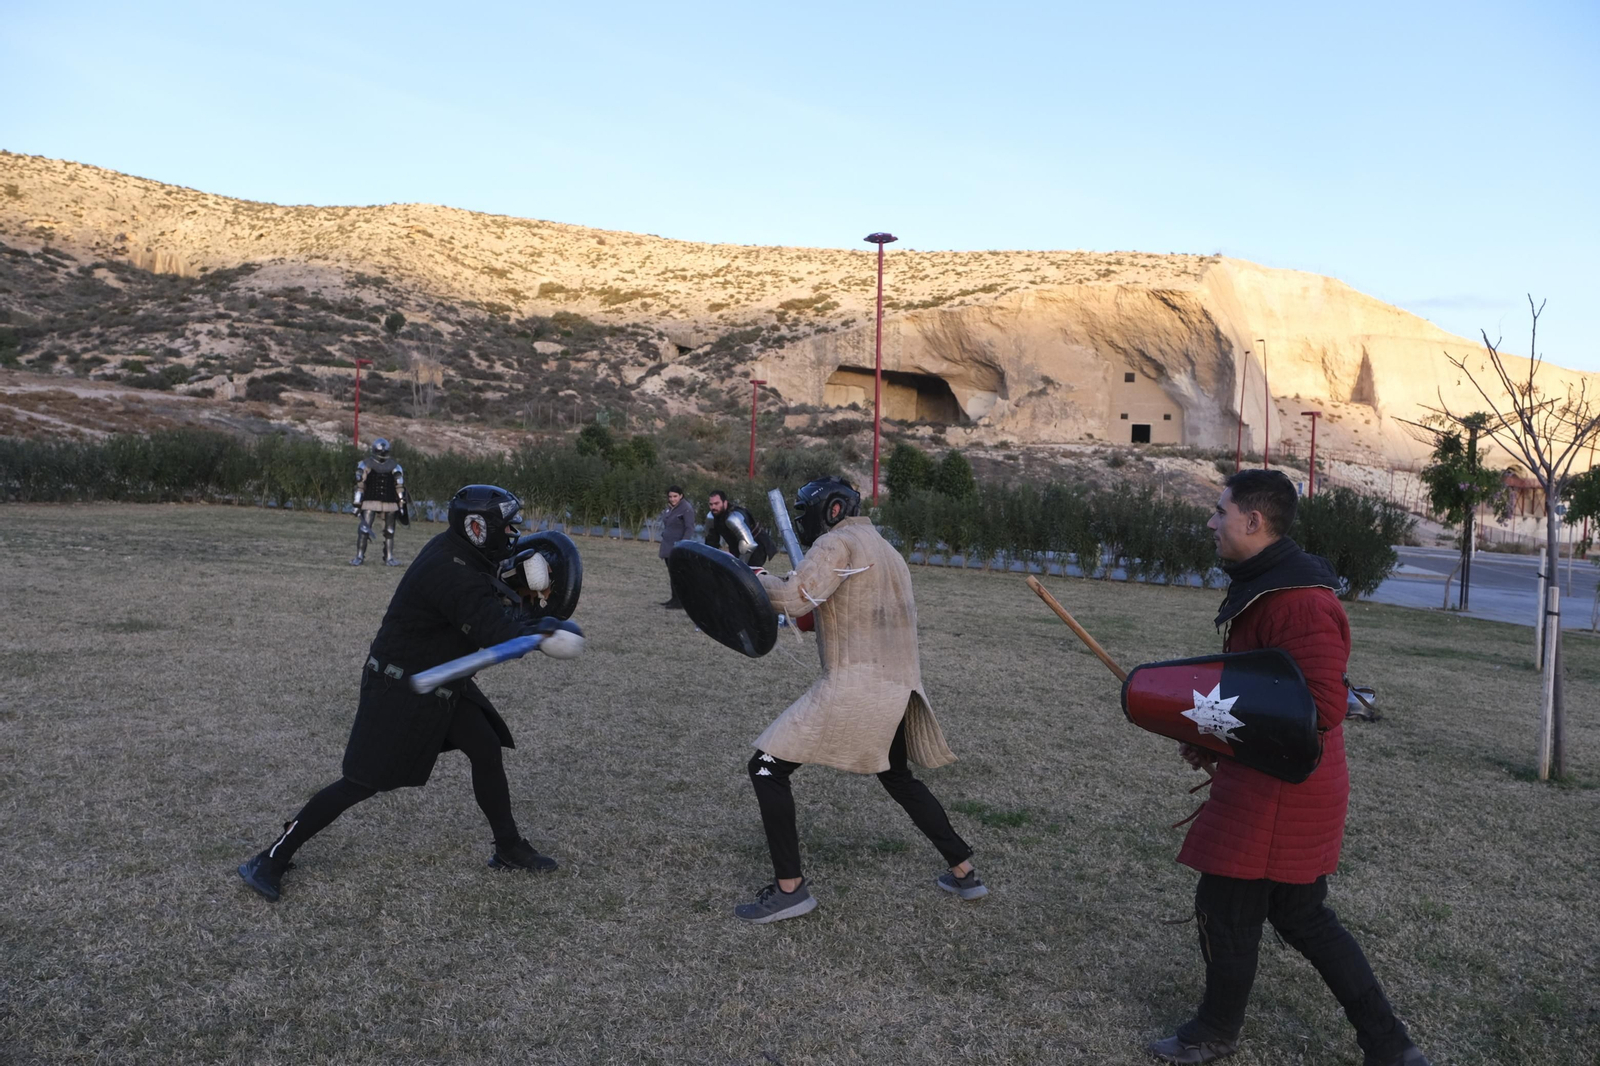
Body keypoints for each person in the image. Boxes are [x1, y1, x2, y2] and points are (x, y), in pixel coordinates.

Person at [1147, 469, 1429, 1066]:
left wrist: (1230, 729)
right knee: (1301, 915)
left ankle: (1214, 1031)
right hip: (1276, 778)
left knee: (1227, 908)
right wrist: (1214, 732)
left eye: (1219, 511)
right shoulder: (1272, 587)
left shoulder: (1299, 602)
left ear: (1253, 521)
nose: (1210, 522)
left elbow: (1322, 707)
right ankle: (1390, 1045)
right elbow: (1262, 689)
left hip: (1281, 790)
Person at [238, 484, 564, 902]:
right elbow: (497, 635)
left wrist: (520, 593)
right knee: (360, 783)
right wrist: (543, 624)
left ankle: (508, 848)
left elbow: (490, 599)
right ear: (478, 527)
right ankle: (270, 858)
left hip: (440, 677)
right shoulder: (451, 569)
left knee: (484, 746)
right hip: (401, 684)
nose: (512, 534)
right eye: (506, 526)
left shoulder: (460, 550)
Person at [734, 476, 985, 924]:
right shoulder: (887, 551)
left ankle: (790, 890)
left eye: (804, 510)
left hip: (856, 685)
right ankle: (964, 870)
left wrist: (751, 576)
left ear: (830, 510)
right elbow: (833, 610)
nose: (800, 519)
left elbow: (792, 600)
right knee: (898, 777)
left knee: (766, 767)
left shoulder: (837, 544)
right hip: (898, 688)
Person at [351, 437, 407, 566]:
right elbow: (360, 486)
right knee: (364, 529)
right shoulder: (365, 465)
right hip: (370, 501)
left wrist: (402, 504)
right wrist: (357, 504)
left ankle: (389, 558)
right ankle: (359, 557)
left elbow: (399, 487)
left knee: (390, 531)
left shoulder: (395, 467)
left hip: (390, 502)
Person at [705, 489, 778, 569]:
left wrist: (740, 568)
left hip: (756, 546)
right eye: (711, 504)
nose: (713, 507)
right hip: (737, 546)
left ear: (725, 502)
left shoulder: (734, 518)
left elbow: (749, 545)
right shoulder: (712, 517)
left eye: (716, 503)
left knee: (749, 574)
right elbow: (711, 543)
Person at [657, 484, 694, 609]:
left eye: (675, 496)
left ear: (681, 496)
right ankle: (674, 599)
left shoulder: (686, 508)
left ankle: (680, 601)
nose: (672, 499)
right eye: (670, 496)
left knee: (678, 574)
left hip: (677, 547)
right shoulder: (670, 508)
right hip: (668, 546)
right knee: (672, 574)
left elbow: (689, 528)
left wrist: (683, 544)